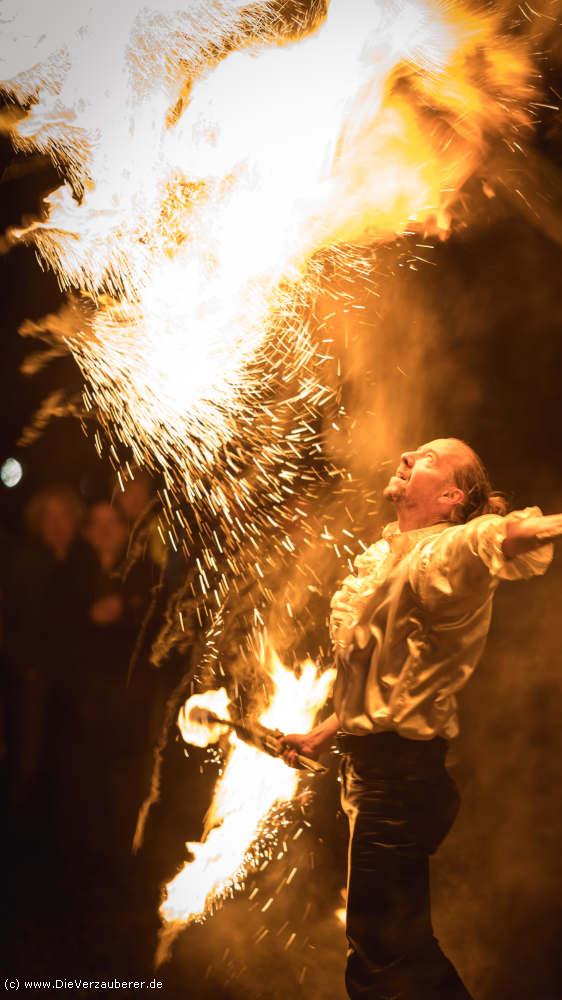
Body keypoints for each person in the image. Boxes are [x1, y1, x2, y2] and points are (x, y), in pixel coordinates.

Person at [282, 437, 560, 1000]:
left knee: (383, 954)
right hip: (374, 775)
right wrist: (325, 731)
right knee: (388, 948)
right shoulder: (390, 558)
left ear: (451, 497)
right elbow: (390, 677)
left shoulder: (451, 549)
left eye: (429, 458)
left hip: (401, 781)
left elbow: (509, 534)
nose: (409, 455)